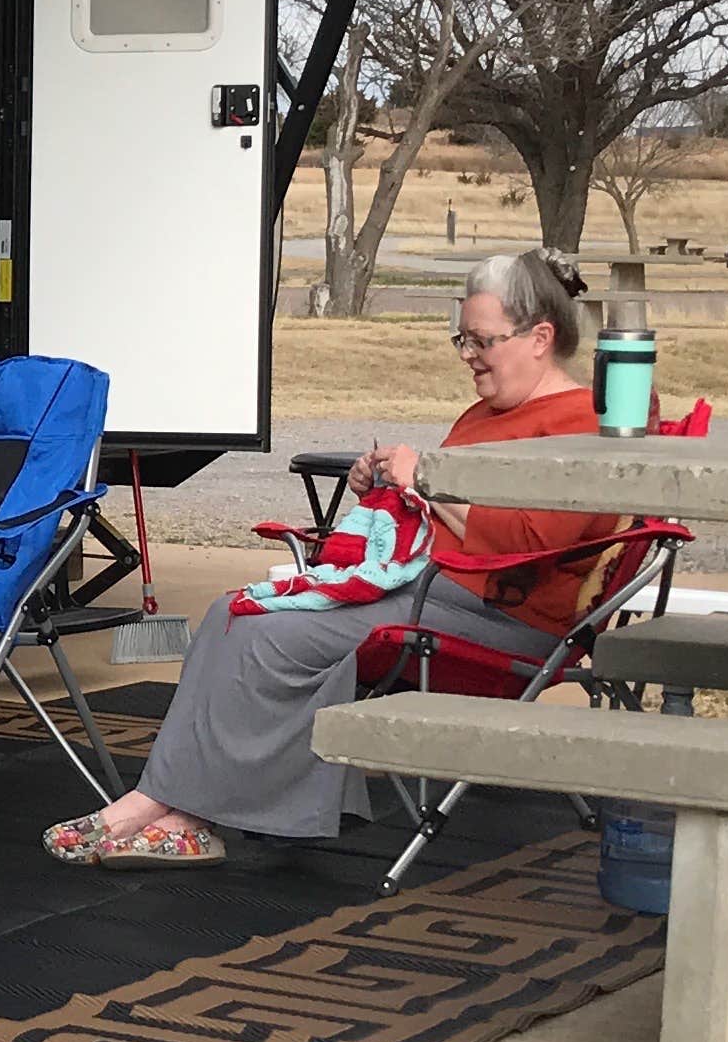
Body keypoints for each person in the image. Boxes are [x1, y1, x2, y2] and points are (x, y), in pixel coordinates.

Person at [54, 248, 621, 864]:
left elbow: (527, 548)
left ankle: (185, 811)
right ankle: (164, 802)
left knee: (273, 635)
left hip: (506, 623)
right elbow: (441, 517)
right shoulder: (490, 412)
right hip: (433, 590)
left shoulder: (582, 420)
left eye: (482, 341)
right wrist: (380, 490)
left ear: (540, 337)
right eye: (462, 339)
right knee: (229, 613)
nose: (468, 356)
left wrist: (425, 481)